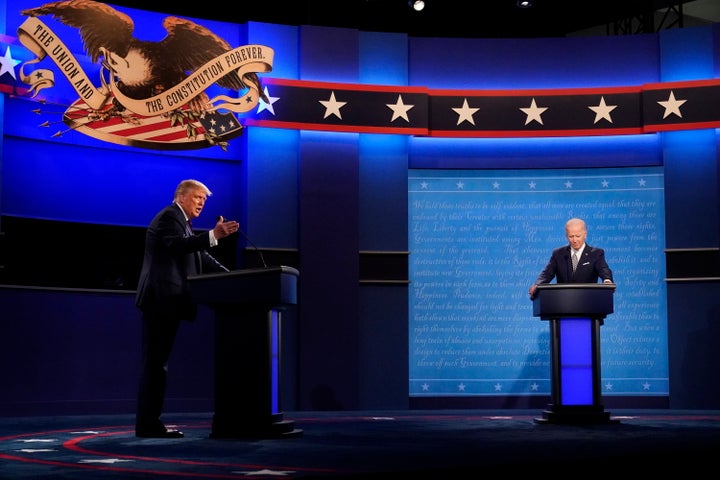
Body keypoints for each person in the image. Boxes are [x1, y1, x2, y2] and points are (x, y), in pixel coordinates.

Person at [134, 179, 239, 438]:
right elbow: (178, 246)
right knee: (156, 364)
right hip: (160, 299)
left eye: (205, 200)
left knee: (158, 363)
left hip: (167, 301)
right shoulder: (170, 217)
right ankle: (148, 424)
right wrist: (213, 235)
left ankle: (149, 423)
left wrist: (234, 276)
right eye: (197, 197)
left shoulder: (182, 222)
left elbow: (199, 255)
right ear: (181, 197)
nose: (202, 203)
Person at [528, 217, 613, 300]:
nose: (574, 240)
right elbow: (547, 273)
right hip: (563, 303)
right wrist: (537, 285)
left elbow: (604, 269)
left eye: (578, 236)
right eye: (571, 236)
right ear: (566, 236)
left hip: (588, 302)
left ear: (585, 234)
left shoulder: (596, 254)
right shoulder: (558, 254)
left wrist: (607, 280)